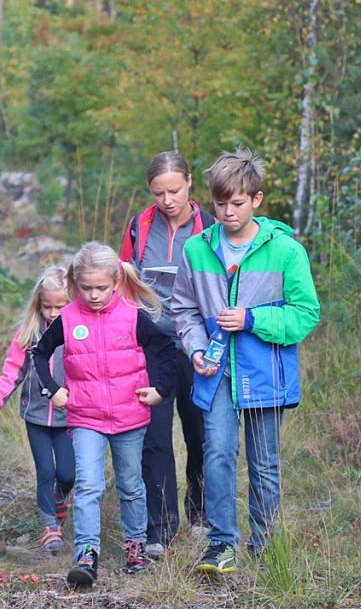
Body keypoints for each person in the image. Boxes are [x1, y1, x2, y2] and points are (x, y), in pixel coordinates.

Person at [170, 147, 320, 576]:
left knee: (264, 461)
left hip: (266, 374)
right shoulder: (197, 248)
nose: (228, 212)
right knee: (216, 452)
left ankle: (266, 544)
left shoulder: (287, 251)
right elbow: (182, 309)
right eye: (220, 203)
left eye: (237, 203)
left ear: (256, 199)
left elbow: (306, 313)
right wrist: (196, 349)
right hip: (215, 375)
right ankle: (221, 545)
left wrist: (253, 319)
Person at [32, 241, 179, 587]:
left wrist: (160, 389)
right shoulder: (67, 318)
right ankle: (86, 553)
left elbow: (166, 350)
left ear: (116, 281)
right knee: (88, 486)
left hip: (130, 418)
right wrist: (54, 389)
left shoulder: (132, 316)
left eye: (101, 287)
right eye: (85, 288)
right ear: (75, 283)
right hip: (85, 418)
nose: (94, 295)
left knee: (130, 484)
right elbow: (39, 354)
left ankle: (134, 545)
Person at [119, 151, 214, 556]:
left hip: (199, 348)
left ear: (190, 183)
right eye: (159, 193)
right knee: (154, 437)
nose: (167, 200)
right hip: (150, 349)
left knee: (200, 435)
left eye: (174, 190)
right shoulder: (140, 226)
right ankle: (160, 528)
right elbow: (122, 281)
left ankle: (201, 514)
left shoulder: (210, 226)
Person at [0, 266, 75, 555]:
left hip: (69, 416)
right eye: (47, 306)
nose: (52, 313)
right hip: (35, 415)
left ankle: (62, 497)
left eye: (60, 306)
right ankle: (50, 528)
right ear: (38, 305)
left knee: (68, 473)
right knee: (46, 470)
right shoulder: (30, 332)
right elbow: (13, 370)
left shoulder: (77, 331)